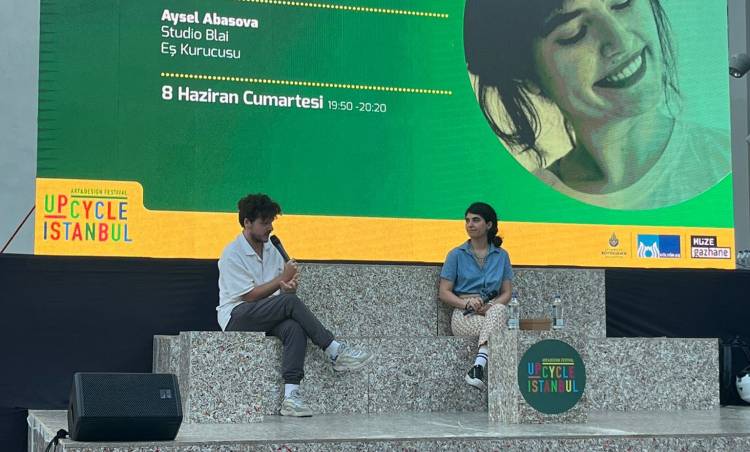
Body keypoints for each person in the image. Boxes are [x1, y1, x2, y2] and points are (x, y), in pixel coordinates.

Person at [464, 0, 730, 210]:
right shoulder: (524, 206)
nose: (620, 40)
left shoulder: (730, 162)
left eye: (623, 3)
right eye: (575, 33)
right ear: (527, 75)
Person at [217, 193, 374, 417]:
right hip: (237, 317)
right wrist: (282, 282)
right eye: (264, 223)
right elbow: (249, 296)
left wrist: (287, 289)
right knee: (289, 304)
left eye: (271, 222)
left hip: (266, 314)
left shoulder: (272, 250)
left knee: (294, 327)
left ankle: (291, 397)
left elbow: (278, 294)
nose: (270, 228)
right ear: (247, 223)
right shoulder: (232, 253)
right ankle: (334, 350)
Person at [438, 202, 513, 389]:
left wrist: (489, 307)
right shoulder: (456, 254)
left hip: (492, 310)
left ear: (489, 224)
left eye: (476, 220)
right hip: (465, 313)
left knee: (499, 310)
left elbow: (506, 292)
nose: (470, 224)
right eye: (467, 220)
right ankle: (483, 370)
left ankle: (478, 366)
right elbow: (444, 292)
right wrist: (467, 304)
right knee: (500, 326)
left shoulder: (502, 256)